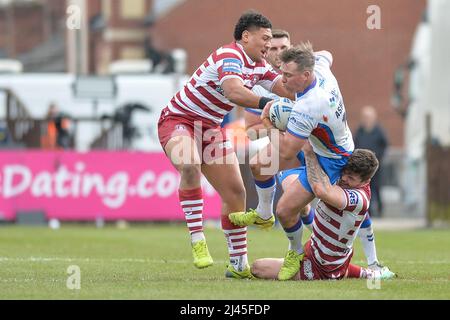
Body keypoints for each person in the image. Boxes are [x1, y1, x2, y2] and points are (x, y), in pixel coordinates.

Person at [157, 11, 293, 279]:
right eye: (265, 39)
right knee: (189, 164)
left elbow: (284, 88)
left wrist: (312, 93)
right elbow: (234, 92)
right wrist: (269, 105)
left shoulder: (260, 66)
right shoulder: (229, 55)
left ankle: (238, 264)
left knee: (235, 192)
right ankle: (197, 239)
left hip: (209, 129)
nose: (268, 45)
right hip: (179, 119)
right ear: (246, 36)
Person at [230, 42, 354, 280]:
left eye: (287, 75)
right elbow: (327, 53)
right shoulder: (320, 67)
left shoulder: (308, 107)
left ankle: (352, 263)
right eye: (281, 73)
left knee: (301, 211)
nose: (282, 80)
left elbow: (286, 151)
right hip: (328, 149)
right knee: (284, 206)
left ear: (306, 75)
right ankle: (294, 250)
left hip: (332, 162)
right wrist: (307, 53)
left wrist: (268, 121)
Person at [251, 142, 396, 281]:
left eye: (351, 178)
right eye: (345, 173)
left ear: (366, 181)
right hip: (327, 255)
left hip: (322, 266)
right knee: (297, 197)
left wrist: (309, 152)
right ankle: (367, 273)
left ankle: (359, 273)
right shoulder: (345, 180)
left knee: (258, 268)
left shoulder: (359, 198)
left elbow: (321, 191)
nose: (344, 178)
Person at [354, 105, 389, 217]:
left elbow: (385, 145)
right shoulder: (359, 131)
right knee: (364, 187)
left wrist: (379, 157)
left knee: (377, 188)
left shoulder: (379, 131)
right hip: (363, 167)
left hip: (376, 166)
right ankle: (367, 211)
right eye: (364, 117)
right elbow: (355, 145)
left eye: (368, 117)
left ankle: (380, 210)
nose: (366, 119)